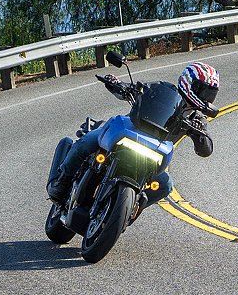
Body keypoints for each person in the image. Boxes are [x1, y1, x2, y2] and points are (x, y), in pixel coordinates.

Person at [46, 62, 220, 217]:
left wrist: (200, 135)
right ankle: (61, 183)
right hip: (127, 133)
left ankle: (128, 212)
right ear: (189, 82)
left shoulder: (197, 119)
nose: (206, 97)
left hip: (153, 155)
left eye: (210, 94)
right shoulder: (162, 89)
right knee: (88, 141)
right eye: (203, 90)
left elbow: (206, 149)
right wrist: (118, 85)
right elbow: (137, 90)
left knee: (165, 184)